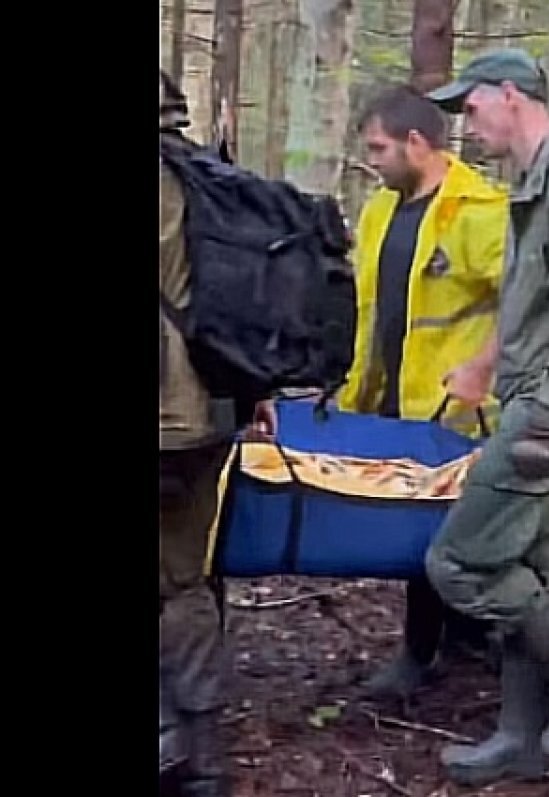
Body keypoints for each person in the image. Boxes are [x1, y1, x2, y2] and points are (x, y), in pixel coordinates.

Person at [422, 48, 549, 785]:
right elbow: (535, 305)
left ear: (512, 94)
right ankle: (523, 736)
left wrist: (545, 416)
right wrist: (487, 366)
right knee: (526, 565)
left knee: (460, 561)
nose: (466, 125)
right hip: (530, 396)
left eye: (471, 107)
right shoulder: (532, 180)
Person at [335, 85, 510, 700]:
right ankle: (452, 638)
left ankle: (425, 650)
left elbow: (521, 300)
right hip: (395, 399)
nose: (373, 161)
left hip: (456, 406)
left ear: (417, 142)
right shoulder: (381, 209)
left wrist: (483, 368)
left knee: (445, 529)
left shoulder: (479, 209)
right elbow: (372, 309)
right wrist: (352, 388)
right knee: (422, 526)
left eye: (380, 148)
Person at [159, 70, 275, 797]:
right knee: (187, 579)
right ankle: (200, 750)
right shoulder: (212, 182)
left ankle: (173, 739)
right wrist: (252, 393)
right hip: (210, 415)